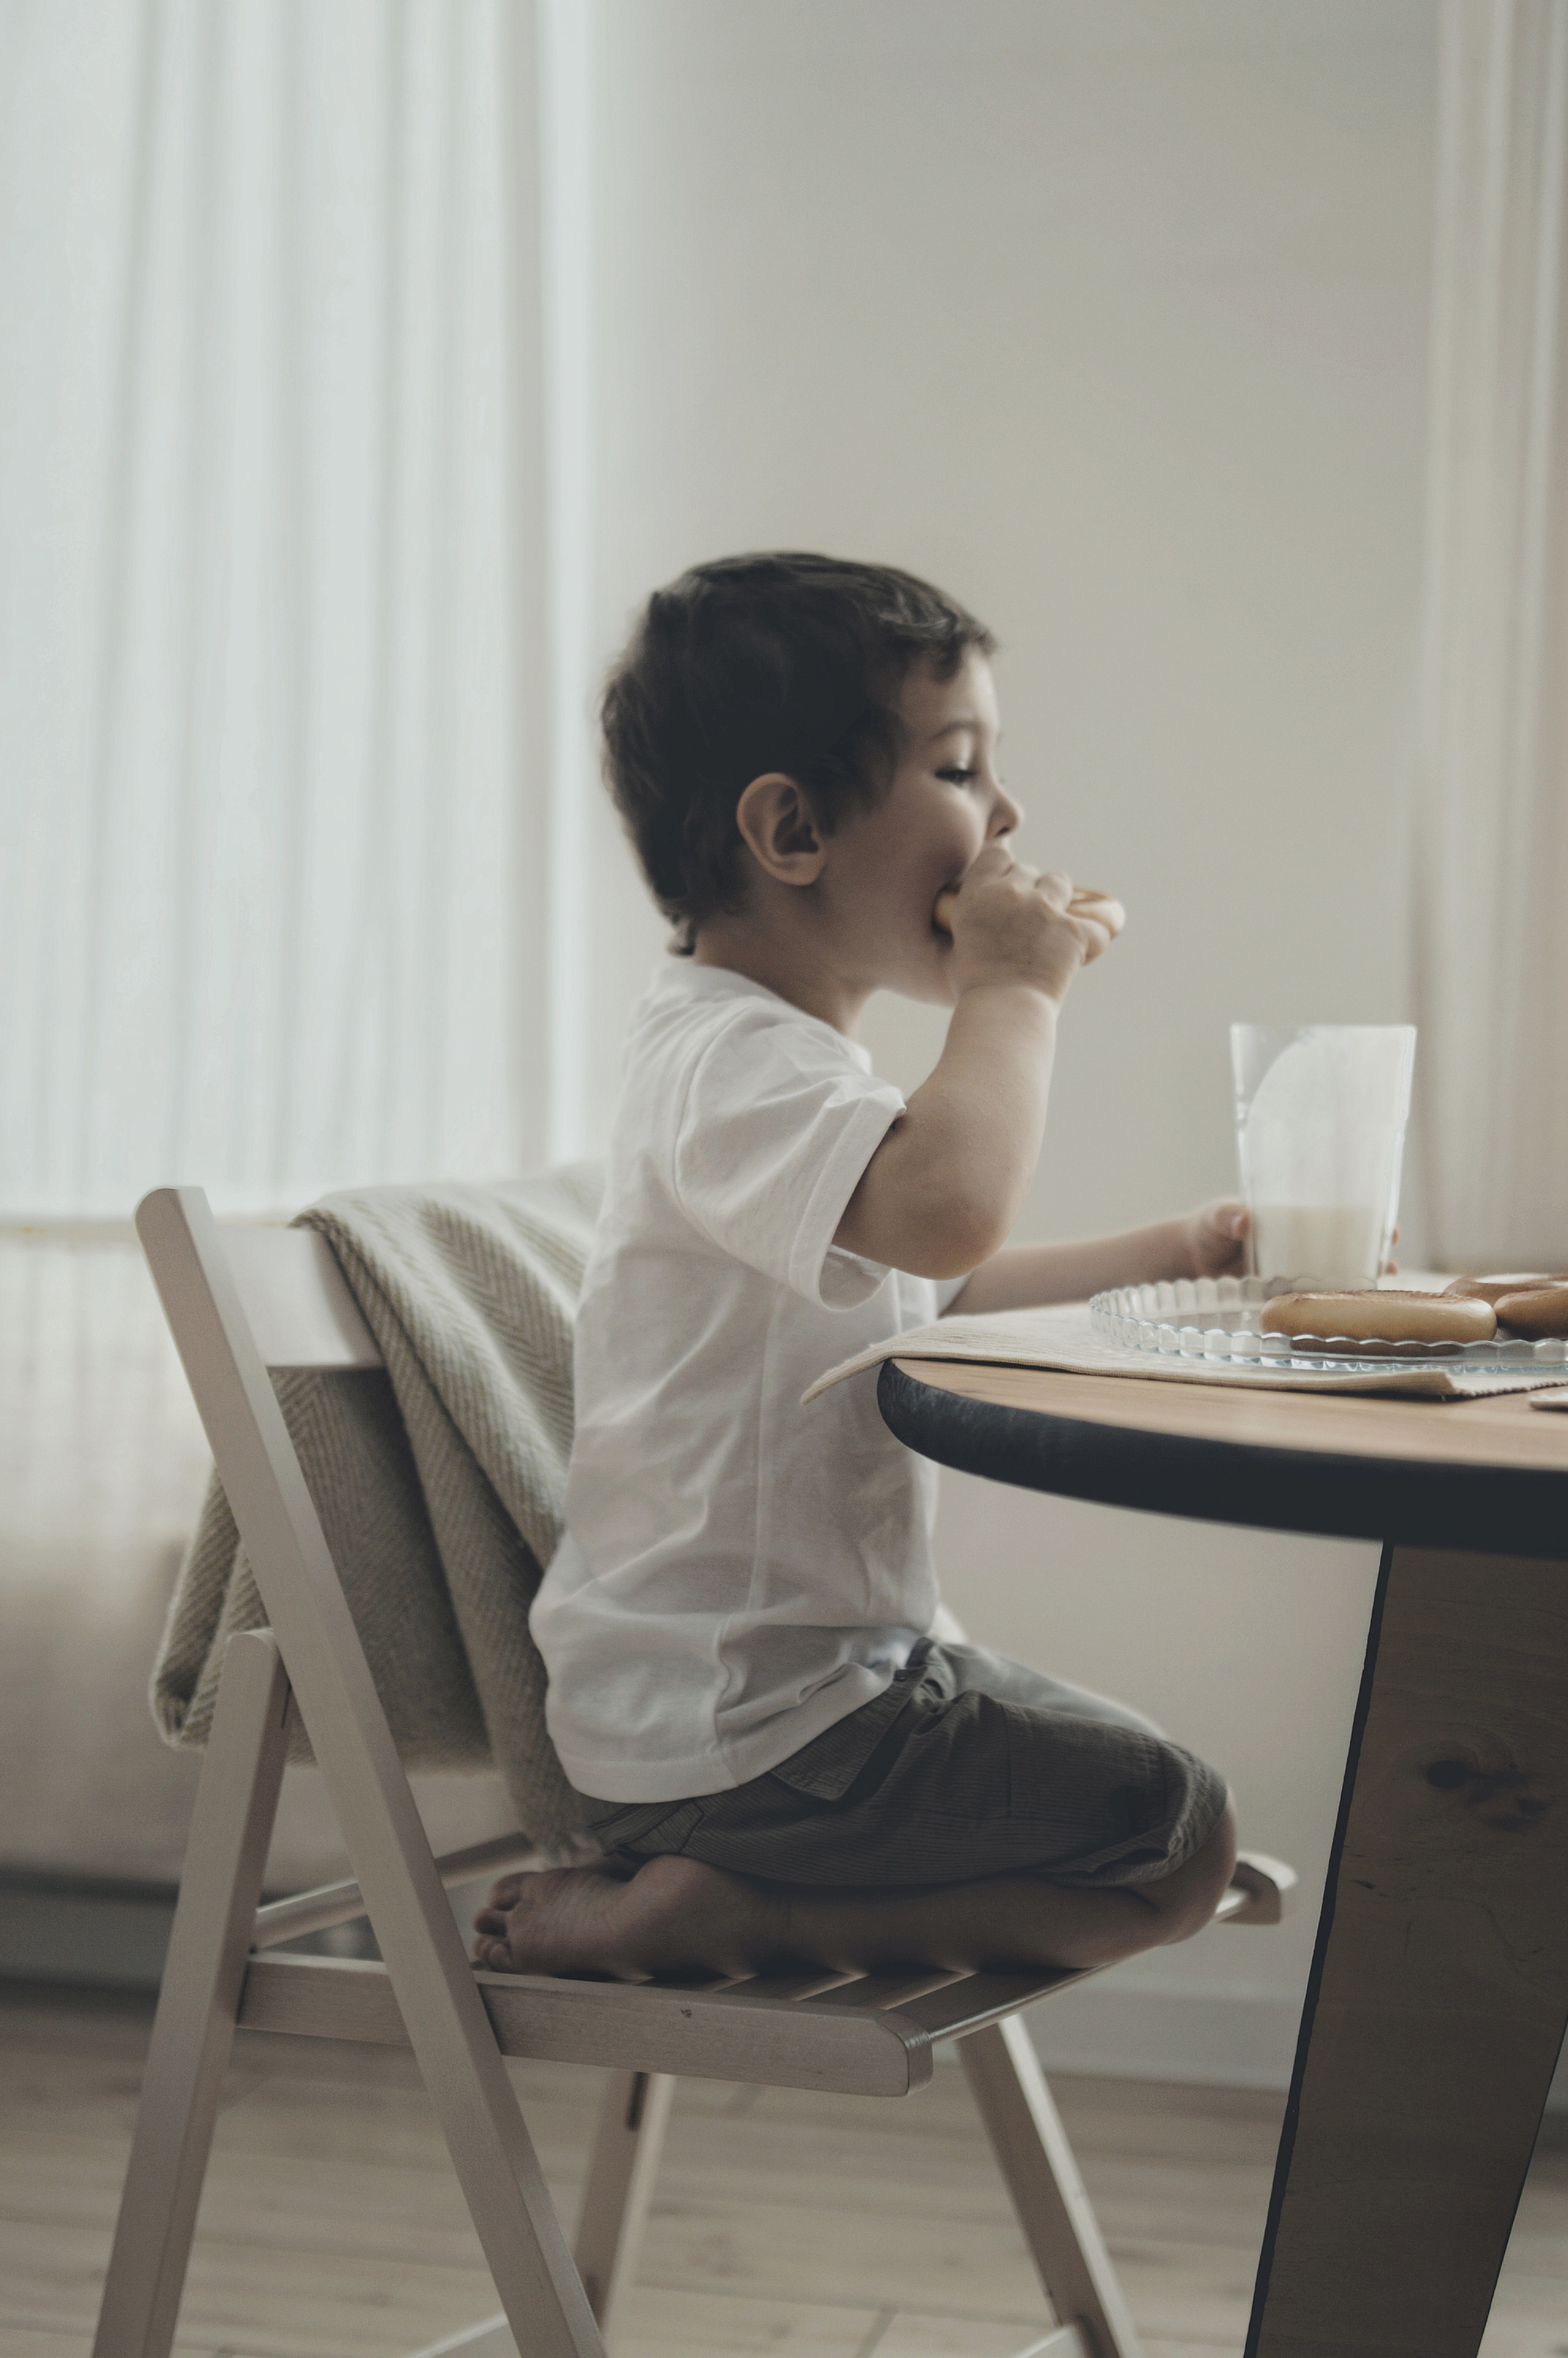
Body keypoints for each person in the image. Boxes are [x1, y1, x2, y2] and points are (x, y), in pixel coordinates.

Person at [475, 552, 1250, 1981]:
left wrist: (1173, 1257)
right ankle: (745, 1914)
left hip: (795, 1698)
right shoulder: (726, 1061)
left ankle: (737, 1902)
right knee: (1176, 1833)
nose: (1005, 817)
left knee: (1170, 1832)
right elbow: (948, 1215)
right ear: (790, 829)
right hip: (744, 1729)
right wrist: (1013, 989)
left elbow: (932, 1295)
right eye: (956, 767)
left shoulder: (780, 1069)